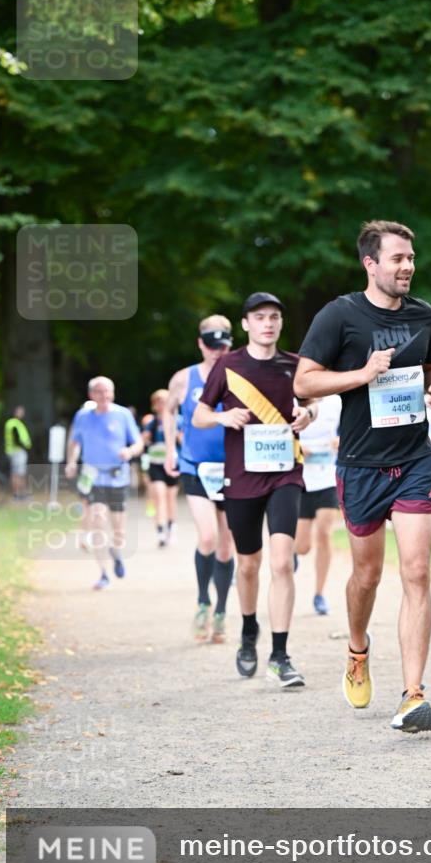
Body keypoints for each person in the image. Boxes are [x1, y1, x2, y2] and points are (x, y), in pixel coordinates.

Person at [294, 220, 431, 731]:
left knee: (417, 572)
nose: (407, 266)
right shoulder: (339, 315)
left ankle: (413, 693)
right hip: (360, 466)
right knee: (367, 575)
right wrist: (361, 376)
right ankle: (358, 648)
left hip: (414, 460)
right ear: (370, 263)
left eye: (411, 258)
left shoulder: (423, 314)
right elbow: (303, 381)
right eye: (397, 259)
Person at [192, 292, 317, 688]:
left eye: (275, 317)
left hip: (285, 473)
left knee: (282, 562)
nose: (268, 323)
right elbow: (198, 415)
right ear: (245, 324)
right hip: (242, 478)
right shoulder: (227, 366)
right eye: (260, 317)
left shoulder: (295, 365)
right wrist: (223, 415)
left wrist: (306, 415)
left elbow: (311, 404)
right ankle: (248, 631)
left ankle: (280, 655)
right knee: (248, 564)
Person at [164, 316, 236, 643]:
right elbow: (168, 410)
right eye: (210, 343)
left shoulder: (239, 375)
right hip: (194, 465)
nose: (216, 350)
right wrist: (170, 449)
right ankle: (202, 602)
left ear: (230, 344)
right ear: (200, 343)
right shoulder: (184, 378)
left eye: (222, 344)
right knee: (207, 537)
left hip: (233, 469)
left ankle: (220, 611)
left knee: (226, 545)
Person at [66, 377, 143, 591]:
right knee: (97, 519)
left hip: (117, 476)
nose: (104, 396)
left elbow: (138, 442)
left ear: (113, 392)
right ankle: (103, 574)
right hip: (92, 475)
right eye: (99, 392)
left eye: (108, 391)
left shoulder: (123, 415)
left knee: (118, 528)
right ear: (91, 395)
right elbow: (74, 441)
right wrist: (71, 462)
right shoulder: (82, 416)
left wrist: (129, 451)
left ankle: (116, 552)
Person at [295, 393, 342, 615]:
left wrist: (342, 441)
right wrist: (298, 449)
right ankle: (292, 553)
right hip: (301, 479)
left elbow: (352, 429)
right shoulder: (295, 400)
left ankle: (319, 594)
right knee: (302, 547)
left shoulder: (336, 401)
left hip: (328, 477)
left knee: (324, 533)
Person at [142, 390, 179, 547]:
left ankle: (171, 527)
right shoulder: (152, 423)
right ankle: (160, 531)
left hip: (172, 465)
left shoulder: (179, 420)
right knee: (159, 495)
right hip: (156, 464)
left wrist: (175, 434)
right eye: (158, 402)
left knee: (170, 498)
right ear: (154, 405)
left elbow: (185, 441)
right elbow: (144, 442)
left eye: (164, 401)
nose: (162, 404)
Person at [4, 405, 32, 499]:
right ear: (15, 412)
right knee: (18, 473)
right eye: (20, 411)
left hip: (14, 451)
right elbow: (16, 438)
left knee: (17, 472)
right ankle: (18, 494)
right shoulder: (14, 423)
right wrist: (23, 445)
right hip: (17, 451)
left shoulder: (14, 423)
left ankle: (18, 494)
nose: (22, 413)